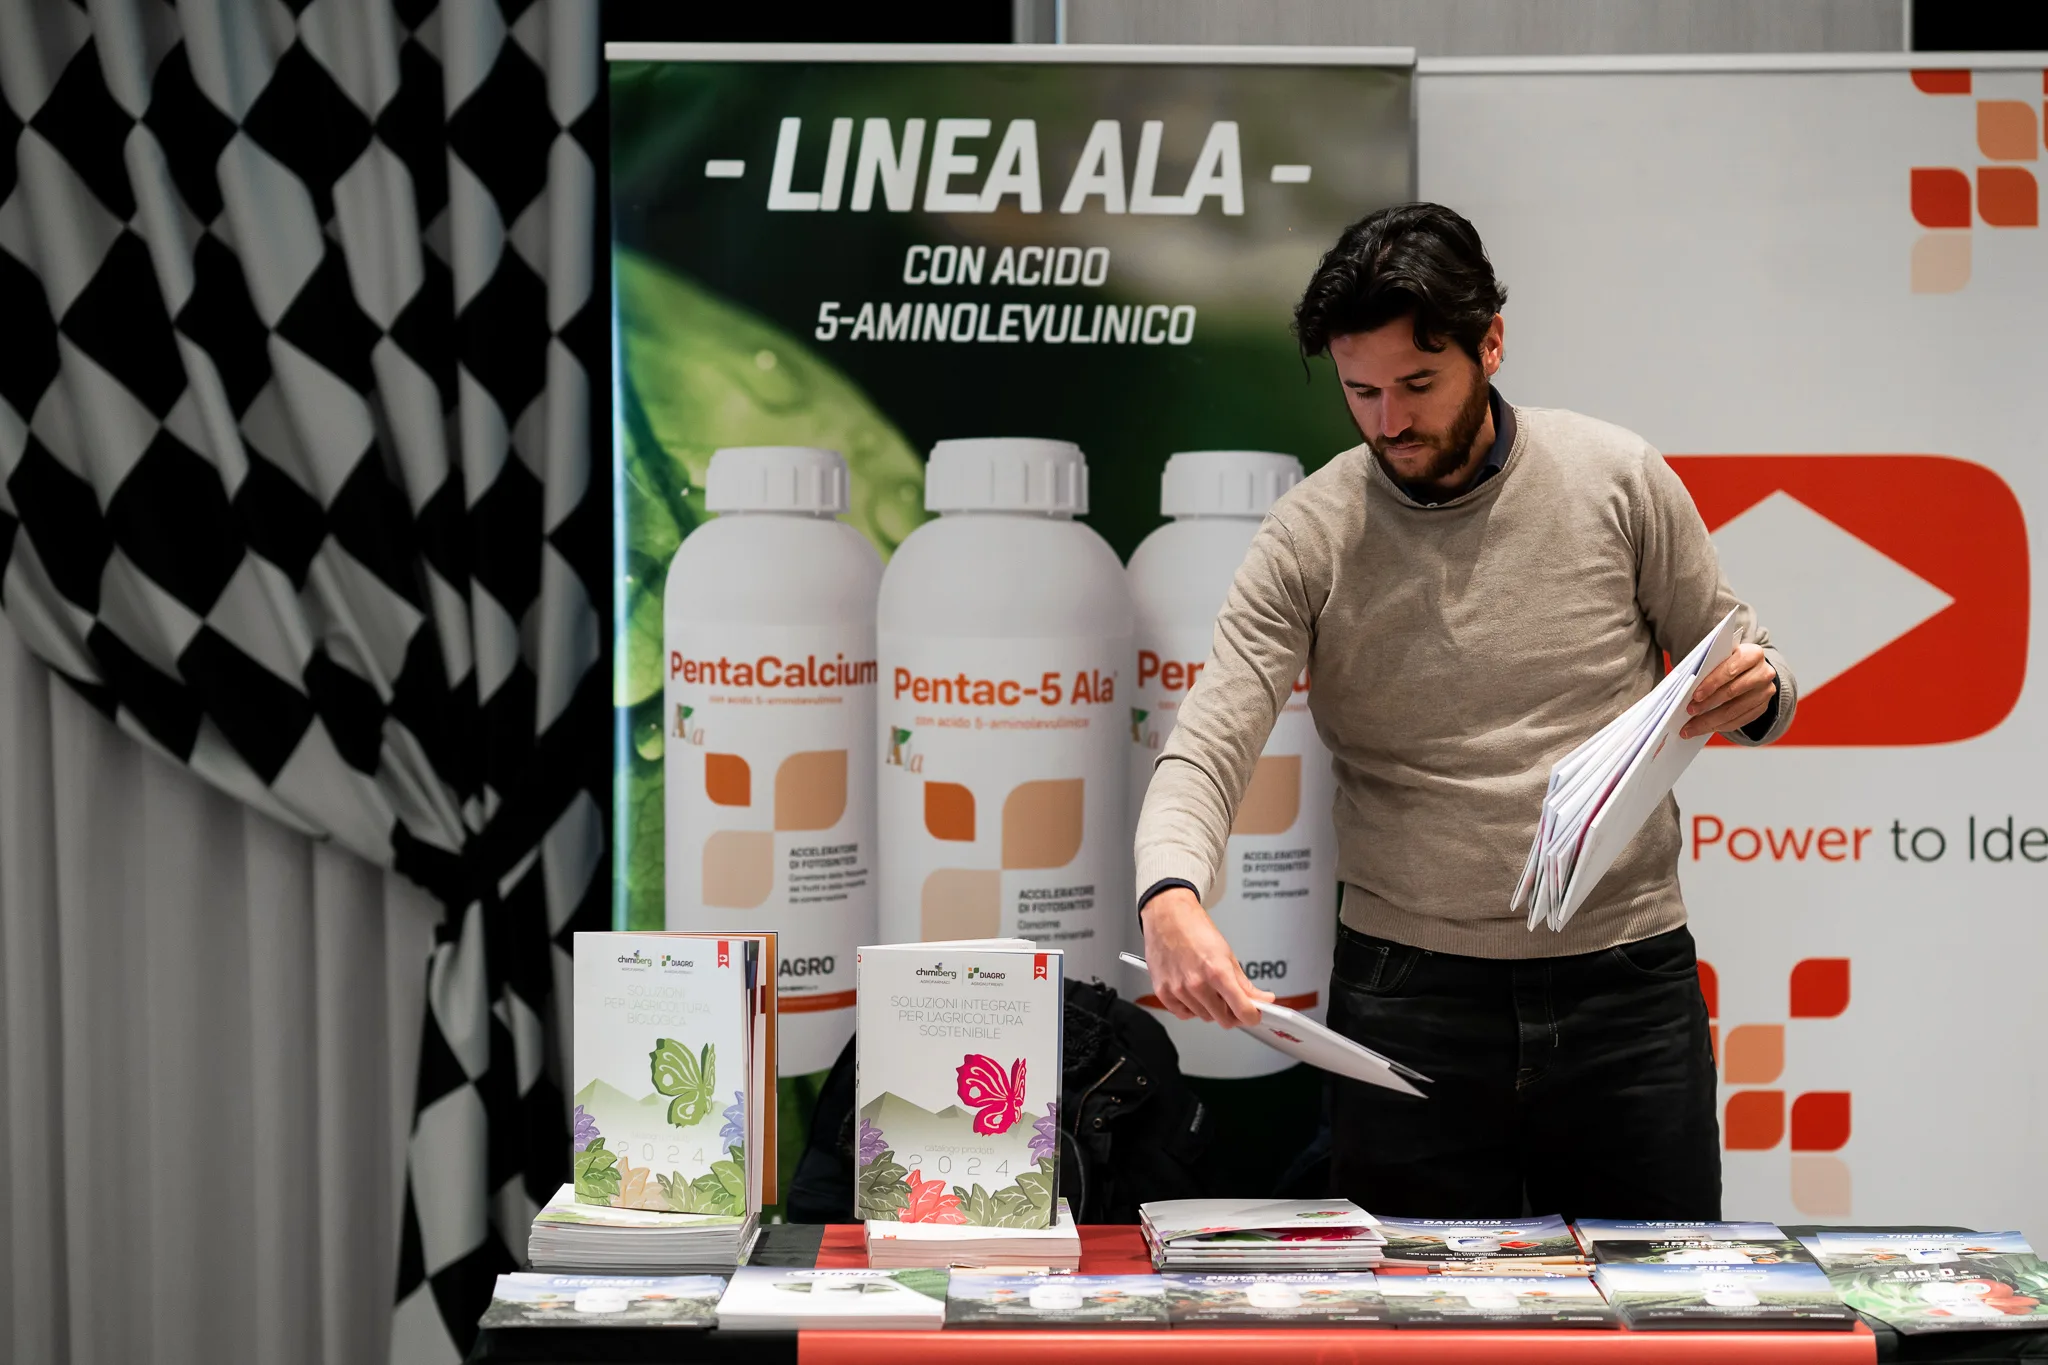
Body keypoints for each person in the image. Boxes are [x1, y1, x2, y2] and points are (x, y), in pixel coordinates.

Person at [1131, 203, 1795, 1220]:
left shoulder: (1616, 479)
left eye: (1417, 384)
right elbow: (1209, 742)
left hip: (1625, 986)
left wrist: (1759, 691)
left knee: (1658, 1290)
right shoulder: (1309, 534)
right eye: (1360, 391)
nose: (1388, 422)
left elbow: (1747, 662)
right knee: (1407, 1298)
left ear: (1489, 344)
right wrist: (1169, 893)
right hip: (1408, 1000)